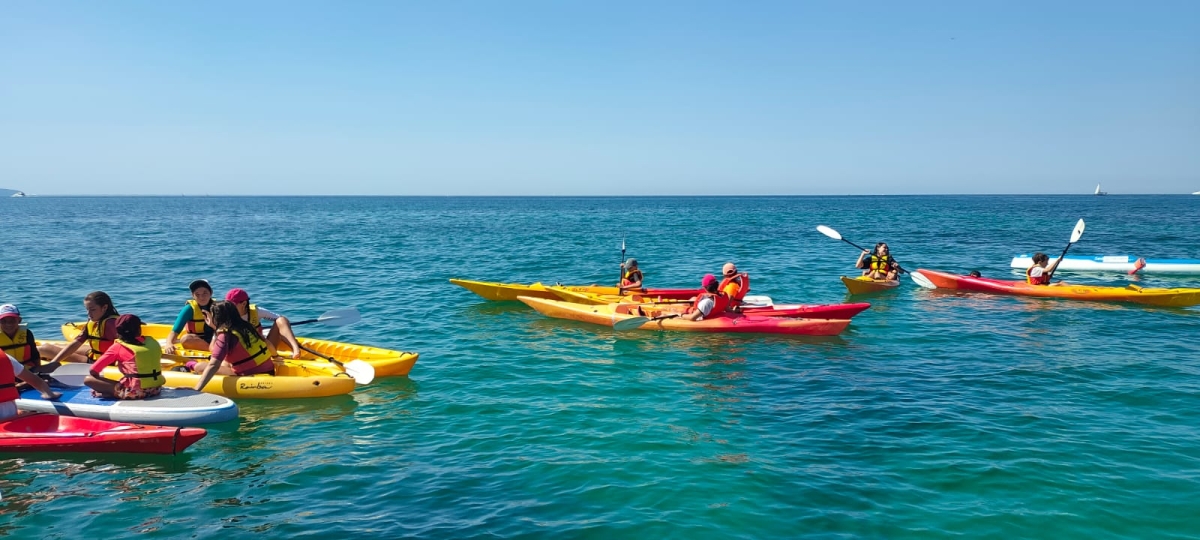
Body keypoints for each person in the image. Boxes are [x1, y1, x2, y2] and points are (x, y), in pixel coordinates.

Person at [191, 301, 280, 390]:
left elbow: (213, 365)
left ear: (217, 318)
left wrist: (196, 390)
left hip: (248, 375)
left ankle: (190, 365)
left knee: (200, 367)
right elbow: (267, 343)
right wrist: (276, 356)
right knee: (225, 362)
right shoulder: (248, 326)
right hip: (269, 370)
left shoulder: (225, 335)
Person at [84, 314, 166, 400]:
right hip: (156, 389)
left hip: (134, 392)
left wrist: (100, 385)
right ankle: (114, 392)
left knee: (88, 379)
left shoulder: (118, 347)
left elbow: (93, 370)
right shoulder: (152, 342)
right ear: (139, 329)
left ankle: (111, 393)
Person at [41, 291, 120, 368]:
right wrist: (54, 362)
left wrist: (53, 363)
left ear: (104, 307)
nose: (88, 313)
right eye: (87, 309)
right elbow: (76, 343)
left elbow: (125, 345)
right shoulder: (94, 322)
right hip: (95, 353)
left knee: (44, 349)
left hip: (99, 362)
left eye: (92, 310)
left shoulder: (112, 324)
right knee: (56, 346)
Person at [223, 288, 303, 359]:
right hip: (241, 353)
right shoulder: (225, 316)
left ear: (244, 304)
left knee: (281, 320)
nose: (229, 308)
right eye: (227, 305)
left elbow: (281, 320)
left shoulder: (256, 312)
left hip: (263, 349)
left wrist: (285, 335)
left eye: (232, 305)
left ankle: (295, 349)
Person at [1, 352, 61, 421]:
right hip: (12, 418)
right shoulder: (6, 358)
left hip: (8, 421)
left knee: (22, 412)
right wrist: (49, 394)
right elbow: (35, 380)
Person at [164, 279, 216, 354]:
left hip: (216, 338)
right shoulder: (189, 309)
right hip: (197, 341)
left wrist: (213, 326)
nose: (201, 297)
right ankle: (215, 351)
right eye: (197, 294)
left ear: (211, 293)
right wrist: (169, 343)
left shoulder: (218, 307)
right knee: (186, 339)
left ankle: (217, 351)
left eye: (205, 293)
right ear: (193, 296)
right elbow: (175, 331)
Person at [0, 304, 48, 373]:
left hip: (28, 370)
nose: (8, 324)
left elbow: (35, 355)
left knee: (55, 365)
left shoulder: (27, 333)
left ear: (19, 320)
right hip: (5, 373)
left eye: (12, 320)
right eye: (3, 321)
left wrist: (39, 372)